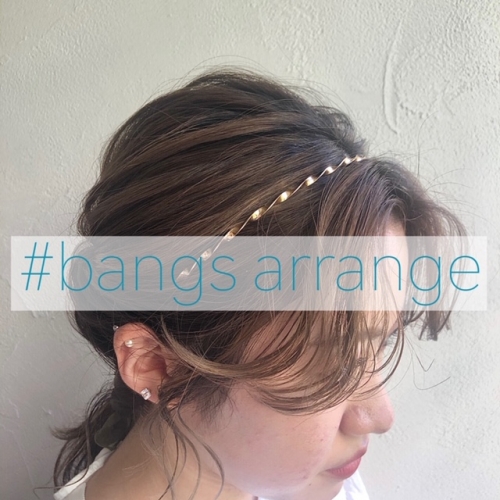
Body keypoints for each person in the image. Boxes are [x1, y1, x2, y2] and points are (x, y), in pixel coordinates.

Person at [51, 68, 464, 500]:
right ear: (157, 366)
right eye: (330, 365)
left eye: (382, 341)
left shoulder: (320, 482)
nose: (380, 416)